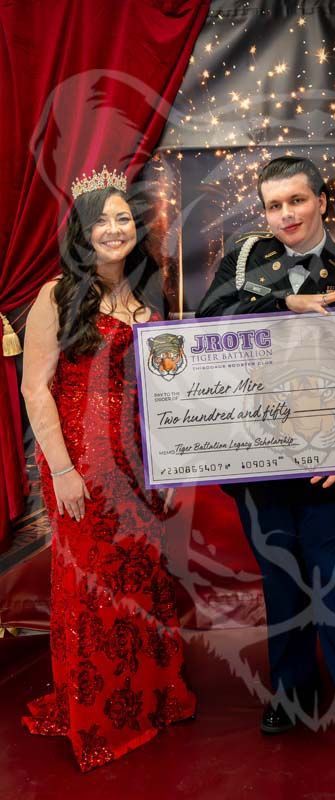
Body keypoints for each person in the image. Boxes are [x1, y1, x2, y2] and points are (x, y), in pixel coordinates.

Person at [197, 156, 335, 772]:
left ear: (322, 201)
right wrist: (284, 305)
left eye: (297, 201)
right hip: (259, 453)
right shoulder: (244, 260)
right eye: (275, 205)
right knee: (280, 579)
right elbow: (209, 327)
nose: (286, 215)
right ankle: (293, 686)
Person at [21, 167, 196, 771]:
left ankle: (147, 696)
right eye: (102, 219)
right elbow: (35, 390)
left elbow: (170, 390)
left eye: (124, 218)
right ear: (81, 230)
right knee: (91, 585)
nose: (114, 229)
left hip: (138, 462)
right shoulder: (57, 294)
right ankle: (100, 712)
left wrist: (172, 461)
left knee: (140, 577)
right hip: (80, 464)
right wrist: (63, 471)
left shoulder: (152, 293)